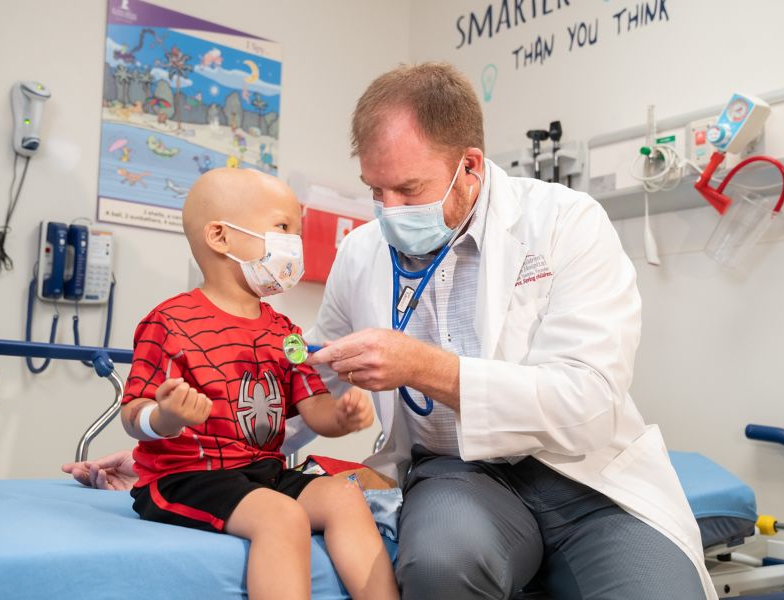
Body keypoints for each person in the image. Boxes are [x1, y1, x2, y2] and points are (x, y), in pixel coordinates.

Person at [66, 63, 715, 599]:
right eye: (376, 191)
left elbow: (589, 400)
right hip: (460, 475)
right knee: (439, 567)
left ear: (470, 165)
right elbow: (302, 383)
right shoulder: (362, 252)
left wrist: (428, 369)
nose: (389, 212)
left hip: (585, 475)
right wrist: (193, 447)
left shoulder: (566, 223)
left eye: (409, 189)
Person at [107, 168, 398, 600]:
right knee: (282, 517)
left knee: (344, 496)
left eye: (297, 232)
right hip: (186, 476)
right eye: (283, 228)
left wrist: (340, 417)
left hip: (262, 473)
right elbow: (132, 414)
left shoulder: (285, 331)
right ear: (220, 237)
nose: (294, 245)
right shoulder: (169, 323)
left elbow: (313, 405)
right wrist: (165, 416)